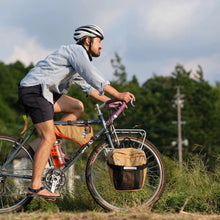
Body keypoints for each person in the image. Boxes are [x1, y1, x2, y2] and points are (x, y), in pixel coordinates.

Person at [18, 24, 135, 199]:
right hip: (34, 91)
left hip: (46, 92)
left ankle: (54, 146)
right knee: (47, 137)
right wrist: (118, 93)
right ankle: (35, 186)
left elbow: (90, 88)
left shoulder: (75, 62)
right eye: (99, 41)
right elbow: (93, 76)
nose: (101, 46)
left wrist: (112, 100)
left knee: (77, 106)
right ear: (88, 41)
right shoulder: (77, 52)